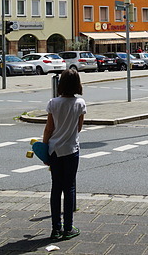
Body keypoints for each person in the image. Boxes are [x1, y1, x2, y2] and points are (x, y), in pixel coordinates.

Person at [43, 68, 86, 241]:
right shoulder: (80, 103)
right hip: (71, 149)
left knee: (56, 188)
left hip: (54, 150)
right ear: (77, 84)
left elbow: (49, 128)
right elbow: (79, 127)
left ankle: (55, 229)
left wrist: (45, 147)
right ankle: (68, 228)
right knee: (69, 188)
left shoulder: (53, 103)